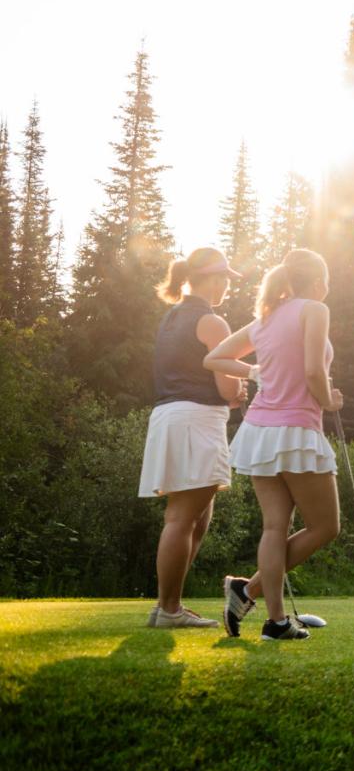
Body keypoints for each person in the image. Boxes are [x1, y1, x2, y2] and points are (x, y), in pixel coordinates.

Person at [203, 248, 343, 641]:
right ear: (317, 283)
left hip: (259, 431)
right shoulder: (314, 309)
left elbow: (214, 358)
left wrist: (254, 371)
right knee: (325, 526)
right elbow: (315, 369)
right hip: (296, 429)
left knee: (274, 528)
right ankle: (248, 592)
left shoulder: (265, 317)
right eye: (326, 282)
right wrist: (329, 399)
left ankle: (275, 621)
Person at [139, 247, 248, 628]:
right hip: (196, 420)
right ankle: (167, 610)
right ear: (211, 278)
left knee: (197, 519)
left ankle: (169, 606)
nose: (227, 287)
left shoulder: (172, 317)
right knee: (182, 517)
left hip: (170, 417)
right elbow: (225, 389)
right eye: (224, 279)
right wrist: (238, 391)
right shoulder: (212, 322)